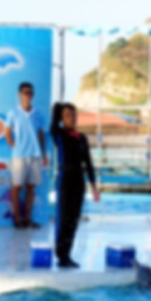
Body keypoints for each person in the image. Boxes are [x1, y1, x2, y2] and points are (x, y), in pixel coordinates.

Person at [50, 102, 99, 269]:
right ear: (62, 119)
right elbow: (52, 126)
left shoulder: (81, 138)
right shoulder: (60, 135)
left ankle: (67, 255)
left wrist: (94, 186)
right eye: (67, 115)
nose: (72, 118)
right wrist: (58, 108)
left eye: (73, 115)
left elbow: (88, 162)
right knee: (63, 218)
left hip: (79, 179)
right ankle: (60, 254)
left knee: (73, 220)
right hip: (64, 178)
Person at [5, 82, 48, 229]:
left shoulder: (38, 113)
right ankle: (17, 219)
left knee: (31, 187)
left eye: (30, 92)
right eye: (25, 92)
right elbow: (7, 133)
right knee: (17, 187)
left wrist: (43, 154)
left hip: (35, 155)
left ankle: (28, 218)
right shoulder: (13, 112)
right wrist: (15, 147)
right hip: (19, 156)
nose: (27, 95)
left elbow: (41, 133)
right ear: (19, 94)